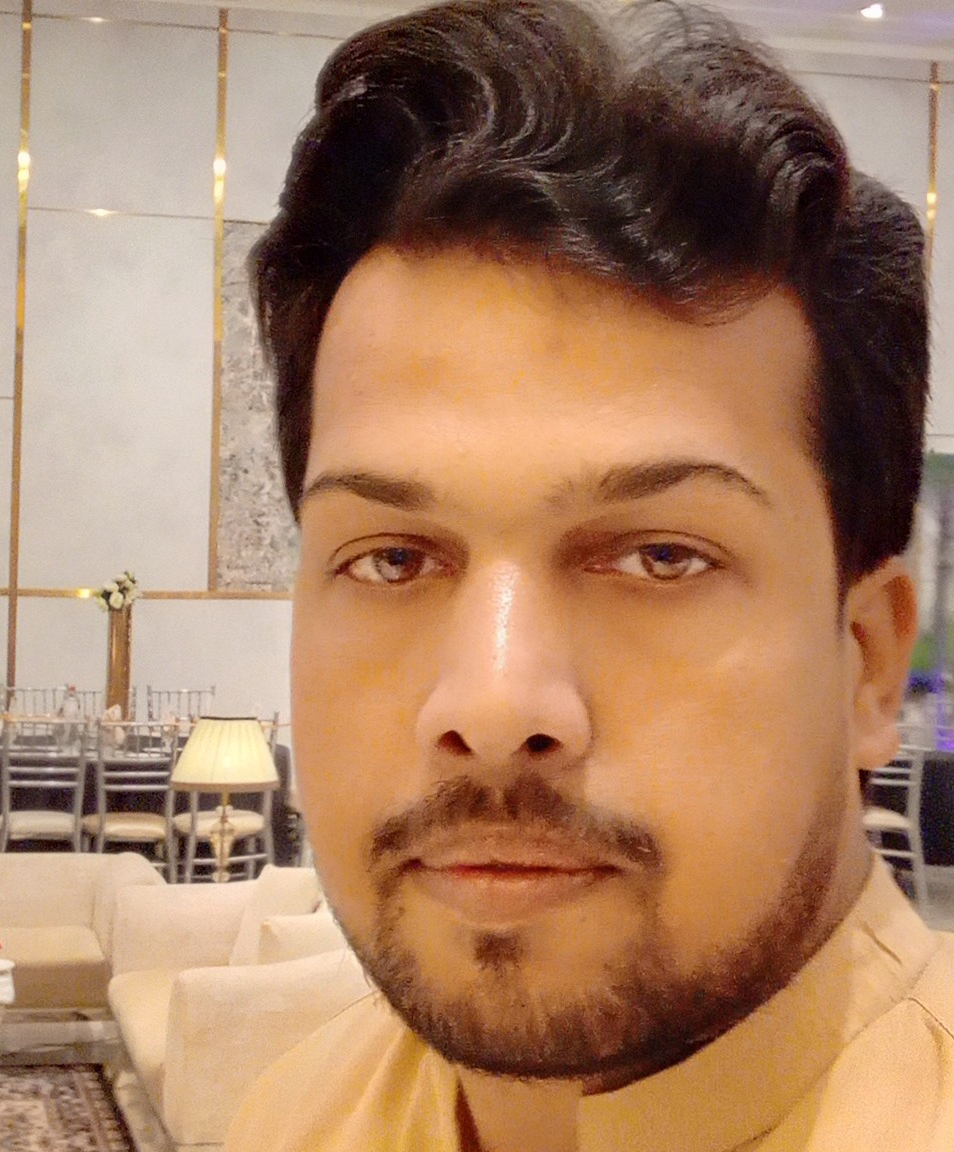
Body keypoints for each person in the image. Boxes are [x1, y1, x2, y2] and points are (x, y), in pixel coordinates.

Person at [225, 0, 954, 1148]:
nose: (493, 705)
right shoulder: (289, 1115)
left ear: (867, 663)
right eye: (392, 558)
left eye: (662, 556)